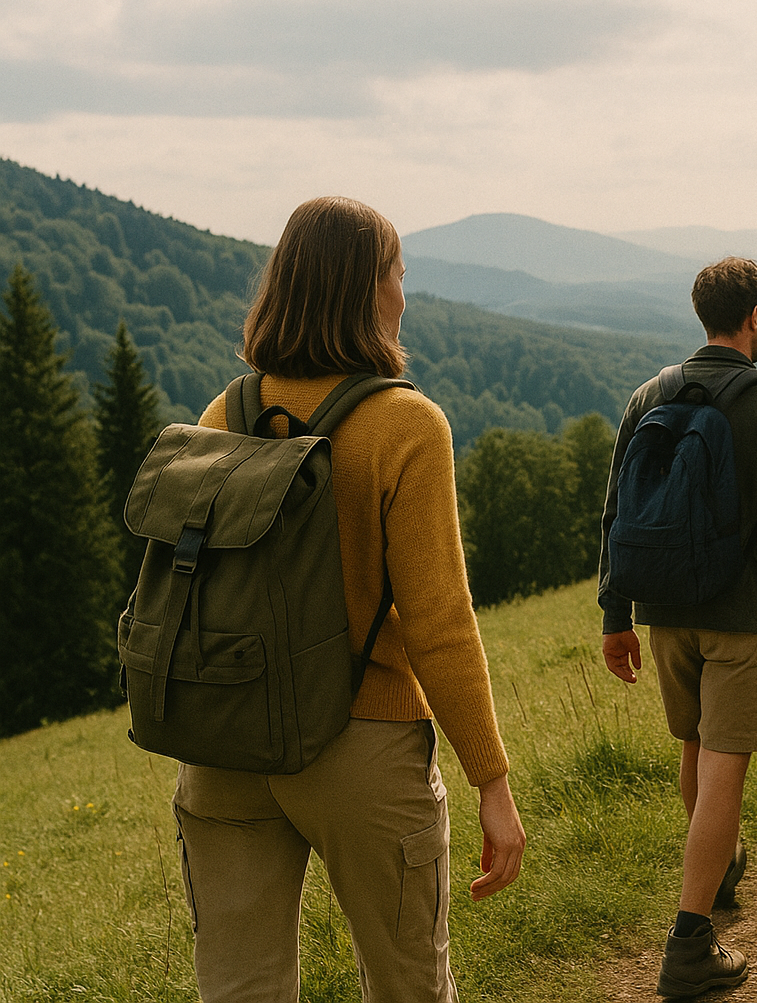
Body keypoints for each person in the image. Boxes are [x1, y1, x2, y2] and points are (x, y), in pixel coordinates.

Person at [174, 197, 526, 1001]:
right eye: (398, 273)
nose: (406, 291)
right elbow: (439, 624)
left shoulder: (223, 413)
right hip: (360, 743)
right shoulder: (404, 424)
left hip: (225, 745)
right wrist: (492, 783)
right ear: (368, 291)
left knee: (238, 991)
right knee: (408, 986)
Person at [598, 257, 757, 998]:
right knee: (724, 769)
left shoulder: (650, 394)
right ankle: (689, 944)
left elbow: (616, 513)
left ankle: (719, 874)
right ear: (753, 318)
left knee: (695, 750)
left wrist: (617, 617)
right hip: (740, 617)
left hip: (665, 612)